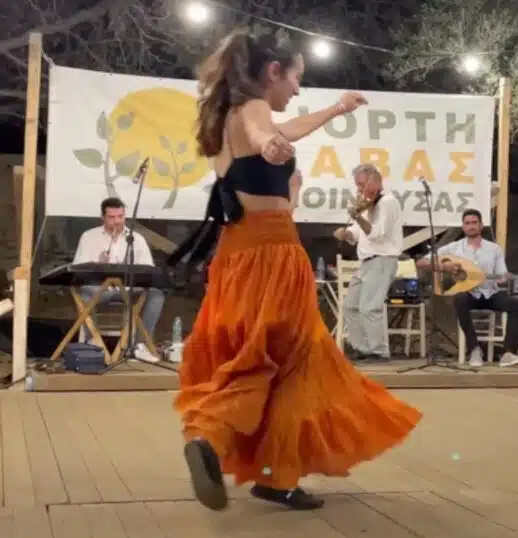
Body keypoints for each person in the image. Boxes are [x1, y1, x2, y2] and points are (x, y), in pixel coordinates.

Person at [170, 28, 422, 513]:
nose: (297, 89)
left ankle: (273, 473)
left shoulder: (226, 116)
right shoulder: (253, 109)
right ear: (272, 72)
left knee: (268, 356)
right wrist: (271, 147)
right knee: (284, 360)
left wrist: (335, 111)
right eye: (295, 78)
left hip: (236, 255)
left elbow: (284, 130)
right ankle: (211, 436)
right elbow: (267, 134)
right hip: (273, 255)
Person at [417, 209, 518, 368]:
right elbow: (421, 262)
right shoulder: (454, 248)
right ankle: (474, 349)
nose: (471, 226)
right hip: (469, 295)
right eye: (467, 223)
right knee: (460, 299)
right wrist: (444, 267)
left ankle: (508, 353)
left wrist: (503, 279)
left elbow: (501, 276)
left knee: (516, 304)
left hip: (490, 294)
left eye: (474, 223)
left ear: (481, 225)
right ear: (463, 227)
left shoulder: (494, 249)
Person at [73, 196, 164, 363]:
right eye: (111, 217)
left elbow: (148, 271)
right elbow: (78, 271)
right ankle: (92, 343)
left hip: (129, 291)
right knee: (84, 294)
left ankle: (139, 345)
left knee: (156, 294)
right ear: (103, 218)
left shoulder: (136, 239)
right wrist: (98, 264)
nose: (117, 221)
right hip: (99, 290)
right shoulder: (88, 237)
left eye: (120, 216)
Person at [333, 164, 403, 362]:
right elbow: (359, 232)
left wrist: (357, 216)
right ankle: (362, 348)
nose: (359, 189)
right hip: (366, 261)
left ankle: (379, 351)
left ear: (376, 181)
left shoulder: (388, 202)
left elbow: (376, 233)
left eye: (362, 184)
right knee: (350, 306)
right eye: (357, 185)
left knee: (370, 307)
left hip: (382, 259)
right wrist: (346, 233)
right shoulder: (368, 204)